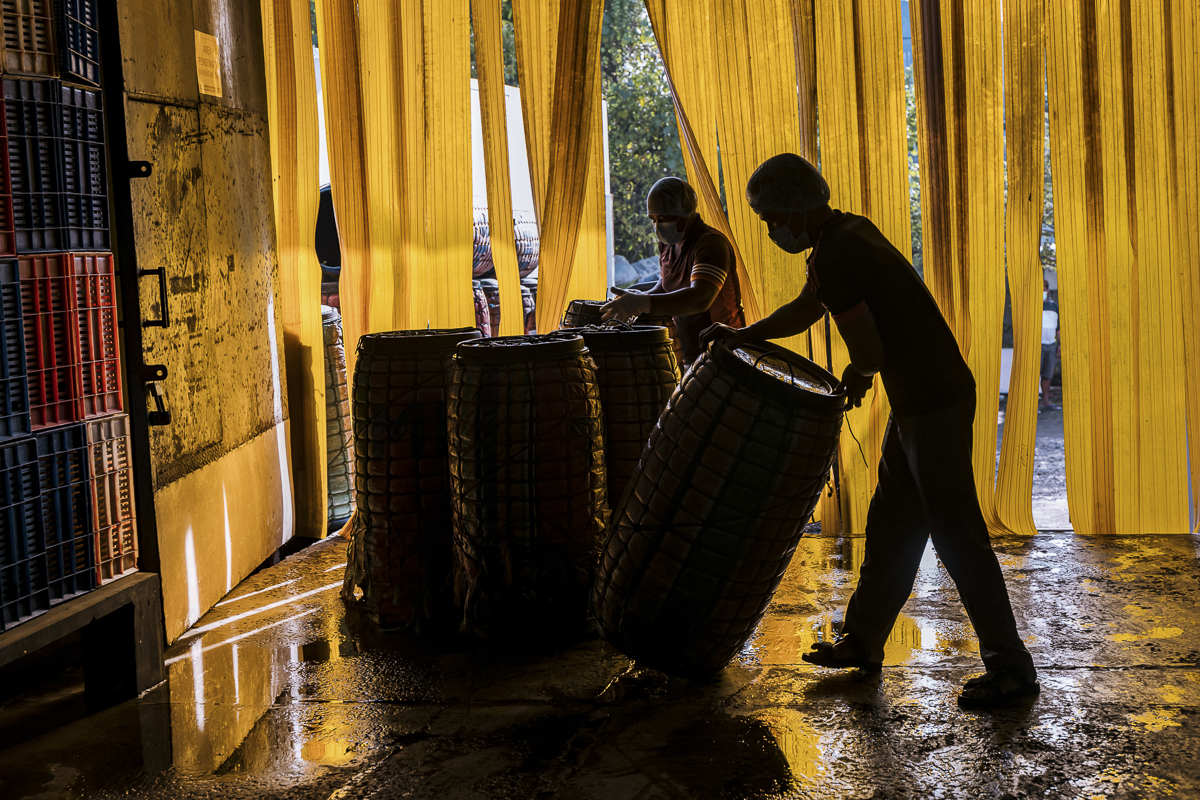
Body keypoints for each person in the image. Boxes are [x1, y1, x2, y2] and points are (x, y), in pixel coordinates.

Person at [700, 153, 1038, 710]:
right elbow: (811, 307)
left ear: (796, 208)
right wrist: (745, 336)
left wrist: (855, 376)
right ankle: (862, 641)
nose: (770, 229)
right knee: (891, 525)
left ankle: (1011, 669)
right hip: (921, 399)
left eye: (770, 218)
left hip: (933, 403)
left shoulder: (837, 251)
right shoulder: (846, 232)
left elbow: (870, 353)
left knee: (958, 537)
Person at [601, 177, 744, 365]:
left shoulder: (710, 244)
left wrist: (644, 302)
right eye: (653, 219)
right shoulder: (668, 244)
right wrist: (639, 297)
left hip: (724, 353)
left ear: (685, 213)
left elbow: (700, 298)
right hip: (691, 353)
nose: (657, 225)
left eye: (664, 218)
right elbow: (667, 284)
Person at [1040, 279, 1060, 411]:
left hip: (1051, 345)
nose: (1042, 292)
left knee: (1048, 375)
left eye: (1043, 289)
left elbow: (1058, 328)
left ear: (1047, 290)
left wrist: (1060, 345)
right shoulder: (1031, 306)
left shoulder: (1054, 307)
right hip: (1037, 346)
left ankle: (1046, 402)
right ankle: (1030, 404)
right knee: (1033, 374)